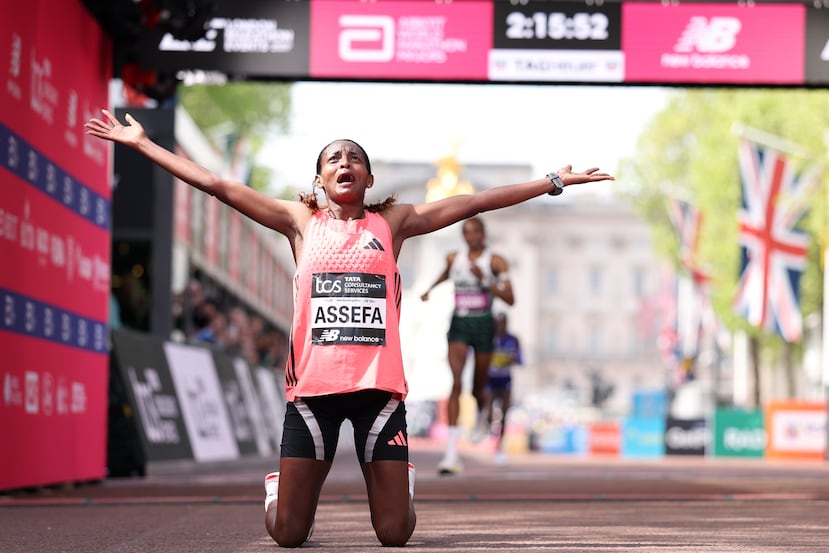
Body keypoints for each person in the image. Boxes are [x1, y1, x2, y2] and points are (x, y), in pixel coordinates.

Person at [85, 109, 613, 547]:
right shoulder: (298, 221)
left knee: (394, 535)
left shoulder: (395, 222)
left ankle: (398, 483)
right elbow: (219, 185)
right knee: (288, 535)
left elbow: (473, 202)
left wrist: (554, 181)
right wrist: (143, 145)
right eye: (334, 158)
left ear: (368, 179)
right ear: (319, 179)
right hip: (312, 394)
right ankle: (282, 489)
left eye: (355, 158)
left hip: (378, 394)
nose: (345, 163)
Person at [420, 216, 513, 475]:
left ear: (483, 234)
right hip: (460, 323)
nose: (471, 237)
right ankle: (450, 454)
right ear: (463, 236)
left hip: (484, 326)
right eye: (467, 233)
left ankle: (483, 412)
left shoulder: (495, 261)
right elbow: (445, 274)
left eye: (475, 232)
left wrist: (486, 280)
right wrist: (430, 289)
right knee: (456, 382)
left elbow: (511, 297)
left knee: (477, 387)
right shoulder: (454, 258)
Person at [483, 312, 523, 466]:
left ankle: (500, 445)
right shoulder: (488, 340)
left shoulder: (513, 340)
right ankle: (488, 426)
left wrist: (511, 360)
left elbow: (520, 359)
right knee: (489, 409)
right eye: (498, 323)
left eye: (503, 323)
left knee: (505, 412)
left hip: (505, 379)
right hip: (490, 379)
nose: (500, 326)